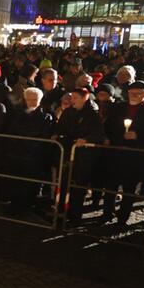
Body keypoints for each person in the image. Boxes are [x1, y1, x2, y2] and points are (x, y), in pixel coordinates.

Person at [102, 81, 144, 224]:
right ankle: (107, 213)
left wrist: (138, 136)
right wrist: (111, 138)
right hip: (116, 152)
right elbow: (109, 127)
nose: (134, 96)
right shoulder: (119, 108)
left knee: (129, 188)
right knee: (110, 186)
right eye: (131, 93)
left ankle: (123, 217)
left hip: (136, 155)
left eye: (138, 93)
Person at [55, 88, 106, 225]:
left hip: (84, 157)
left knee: (78, 187)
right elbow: (60, 130)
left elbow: (99, 136)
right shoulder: (68, 112)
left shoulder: (93, 115)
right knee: (64, 184)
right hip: (67, 153)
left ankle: (75, 217)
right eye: (72, 98)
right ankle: (60, 213)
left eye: (76, 98)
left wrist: (86, 139)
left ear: (85, 98)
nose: (72, 101)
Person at [2, 87, 54, 217]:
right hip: (17, 154)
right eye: (29, 99)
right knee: (15, 182)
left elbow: (44, 137)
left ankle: (27, 207)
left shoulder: (46, 117)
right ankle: (14, 205)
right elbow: (11, 133)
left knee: (30, 184)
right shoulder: (18, 115)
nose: (31, 102)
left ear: (40, 100)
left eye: (34, 99)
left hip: (34, 156)